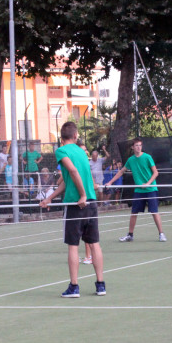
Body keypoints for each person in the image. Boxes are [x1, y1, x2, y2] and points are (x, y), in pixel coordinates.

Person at [40, 121, 105, 297]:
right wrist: (49, 198)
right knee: (94, 244)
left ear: (62, 138)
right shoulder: (82, 152)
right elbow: (69, 180)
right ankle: (100, 285)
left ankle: (74, 287)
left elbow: (73, 172)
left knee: (73, 246)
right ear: (76, 136)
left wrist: (82, 195)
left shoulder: (61, 151)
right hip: (91, 203)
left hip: (76, 204)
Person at [105, 138, 166, 242]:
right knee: (134, 213)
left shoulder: (147, 157)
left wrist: (148, 183)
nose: (139, 147)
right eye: (136, 145)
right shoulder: (131, 160)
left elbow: (156, 173)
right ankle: (130, 235)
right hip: (139, 191)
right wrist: (110, 182)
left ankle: (161, 234)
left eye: (140, 145)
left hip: (151, 189)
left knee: (154, 212)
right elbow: (121, 172)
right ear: (132, 147)